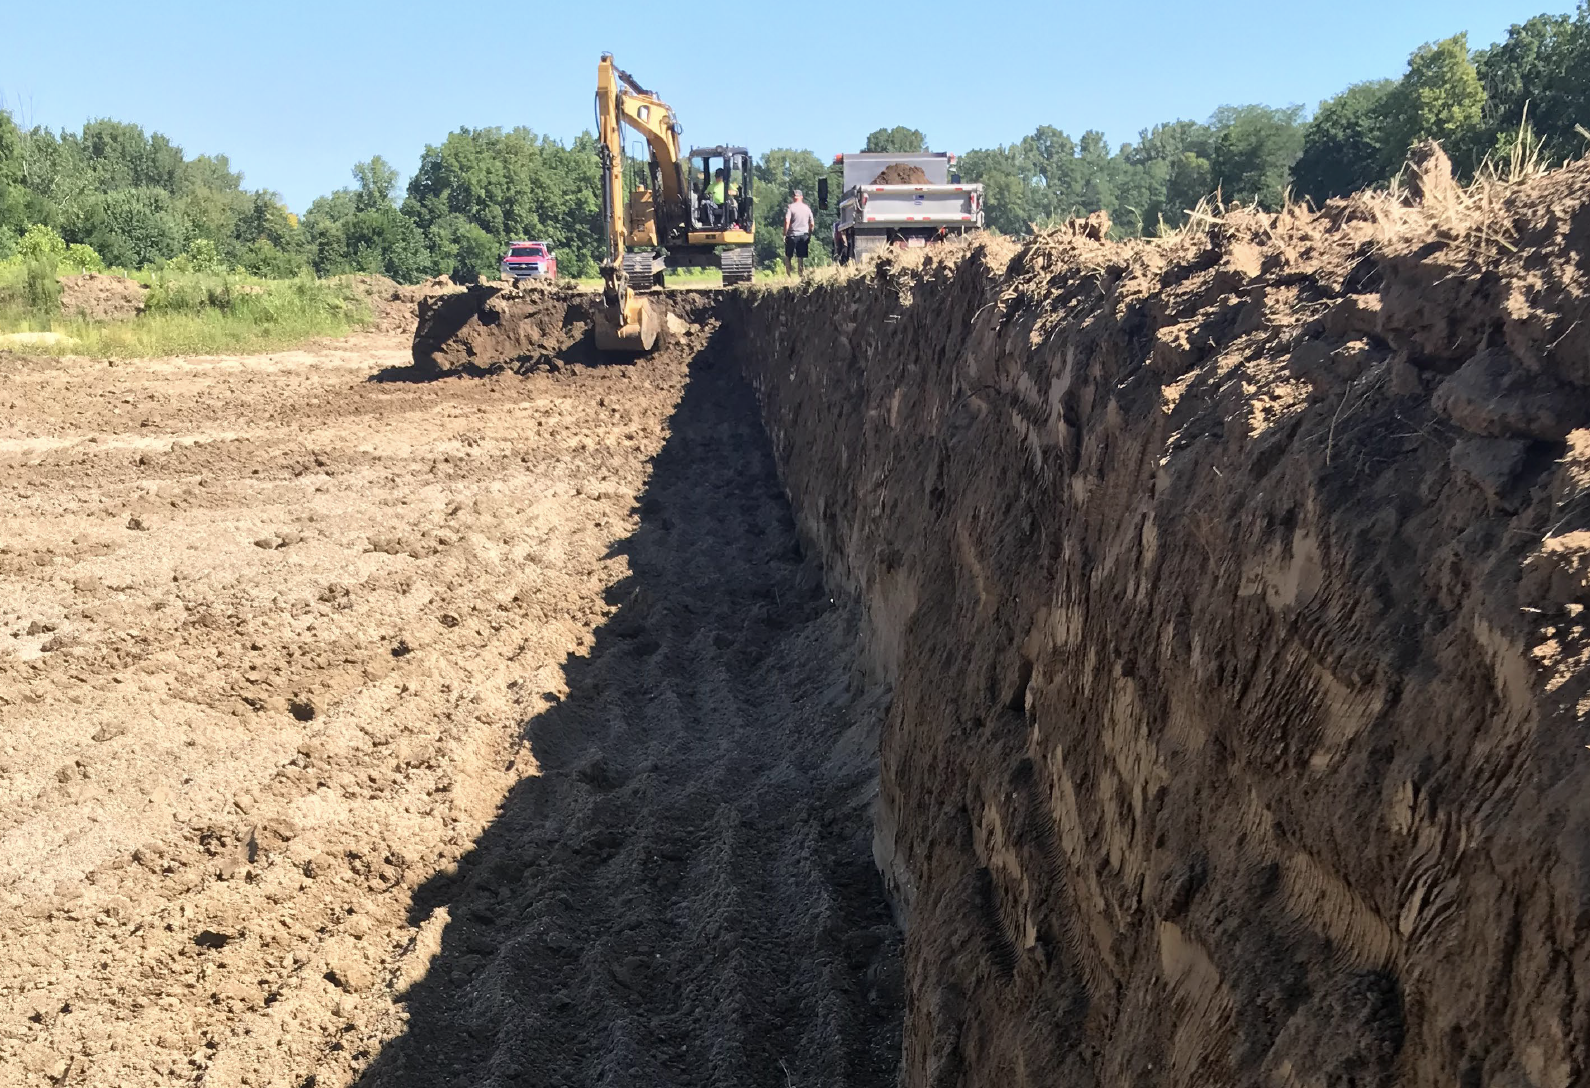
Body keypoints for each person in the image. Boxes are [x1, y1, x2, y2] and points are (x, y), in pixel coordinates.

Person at [784, 189, 815, 275]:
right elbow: (812, 224)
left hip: (792, 235)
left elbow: (787, 221)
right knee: (800, 257)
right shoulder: (807, 208)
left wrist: (785, 234)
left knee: (788, 256)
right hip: (803, 235)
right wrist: (809, 234)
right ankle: (800, 275)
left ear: (793, 197)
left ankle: (788, 276)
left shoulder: (790, 207)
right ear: (801, 197)